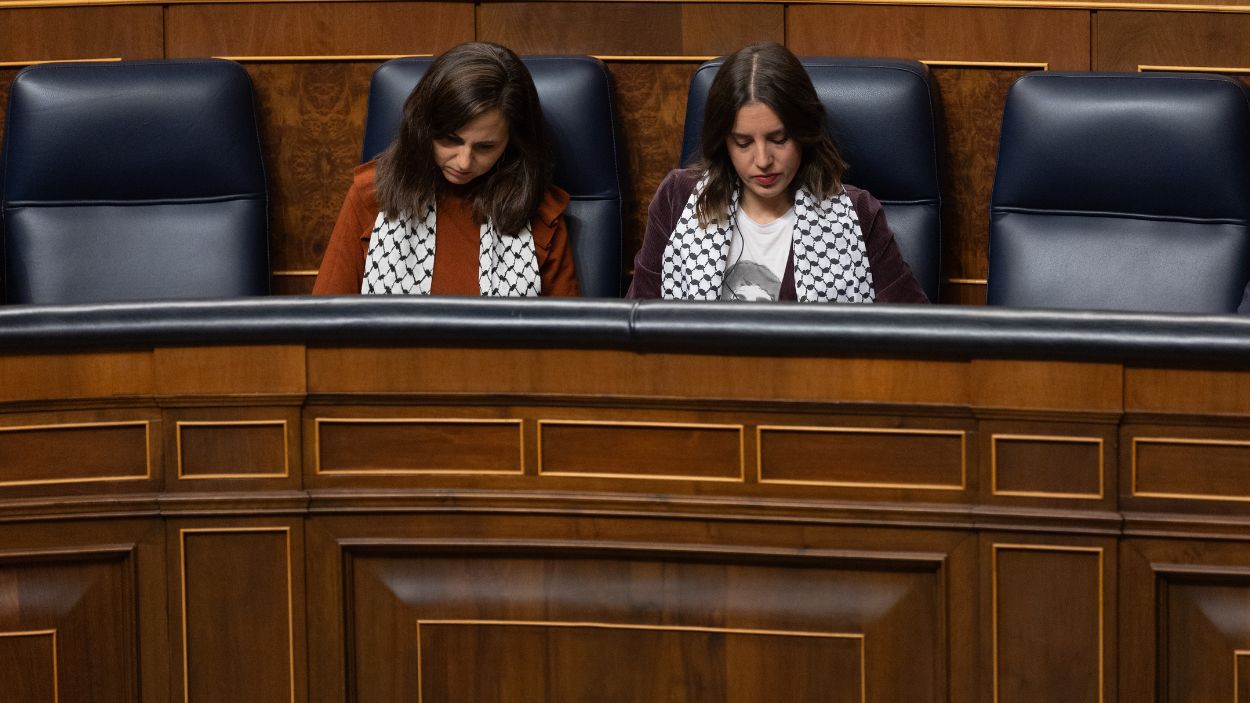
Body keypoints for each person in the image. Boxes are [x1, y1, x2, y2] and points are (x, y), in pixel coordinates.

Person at [627, 42, 927, 303]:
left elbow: (913, 331)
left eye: (779, 139)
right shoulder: (678, 197)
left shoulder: (857, 213)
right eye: (743, 143)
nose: (762, 160)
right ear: (723, 143)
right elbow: (637, 323)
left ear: (803, 133)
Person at [314, 42, 579, 297]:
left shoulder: (539, 211)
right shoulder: (372, 194)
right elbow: (323, 320)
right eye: (450, 140)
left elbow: (569, 338)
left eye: (485, 147)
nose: (463, 162)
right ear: (424, 128)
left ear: (512, 143)